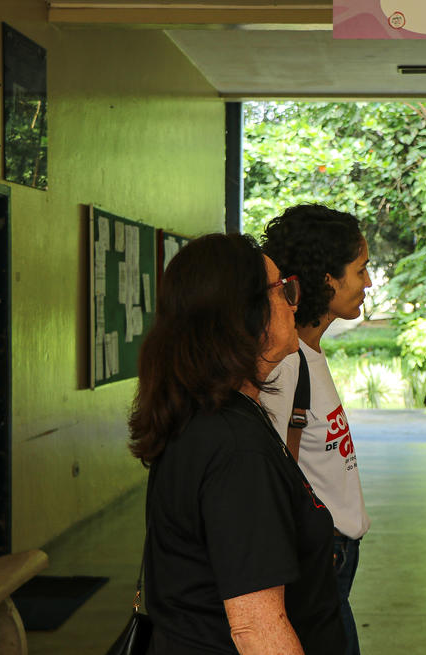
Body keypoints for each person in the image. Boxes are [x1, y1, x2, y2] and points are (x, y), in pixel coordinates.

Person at [128, 233, 346, 655]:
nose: (294, 301)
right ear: (243, 316)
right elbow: (257, 631)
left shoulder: (206, 416)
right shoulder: (236, 451)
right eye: (283, 290)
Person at [259, 204, 373, 655]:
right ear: (328, 278)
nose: (366, 284)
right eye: (360, 271)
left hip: (336, 553)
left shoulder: (309, 355)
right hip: (320, 556)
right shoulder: (285, 366)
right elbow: (271, 472)